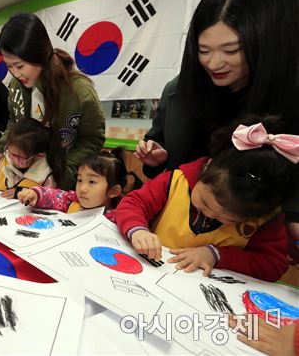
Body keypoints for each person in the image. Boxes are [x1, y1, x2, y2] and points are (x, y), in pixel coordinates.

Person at [133, 0, 299, 257]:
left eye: (231, 50)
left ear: (265, 44)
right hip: (175, 234)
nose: (214, 63)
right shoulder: (179, 93)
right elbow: (164, 166)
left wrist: (292, 217)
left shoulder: (287, 101)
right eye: (203, 50)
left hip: (238, 246)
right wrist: (158, 156)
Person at [116, 116, 297, 282]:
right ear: (206, 168)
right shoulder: (175, 182)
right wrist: (138, 230)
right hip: (150, 275)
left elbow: (272, 265)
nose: (210, 215)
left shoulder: (265, 218)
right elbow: (133, 203)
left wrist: (217, 255)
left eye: (228, 219)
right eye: (204, 203)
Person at [0, 13, 106, 190]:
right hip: (23, 178)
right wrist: (0, 148)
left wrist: (62, 173)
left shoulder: (78, 91)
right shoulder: (16, 86)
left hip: (62, 185)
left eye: (19, 66)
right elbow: (14, 122)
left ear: (39, 55)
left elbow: (92, 140)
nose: (15, 74)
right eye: (9, 66)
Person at [18, 148, 142, 221]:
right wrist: (36, 194)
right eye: (79, 180)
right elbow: (54, 196)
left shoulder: (120, 218)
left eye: (92, 182)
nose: (82, 189)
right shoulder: (72, 201)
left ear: (113, 191)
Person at [0, 117, 63, 198]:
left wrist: (22, 192)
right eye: (8, 151)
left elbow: (50, 196)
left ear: (38, 156)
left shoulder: (46, 175)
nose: (10, 157)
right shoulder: (7, 160)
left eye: (18, 156)